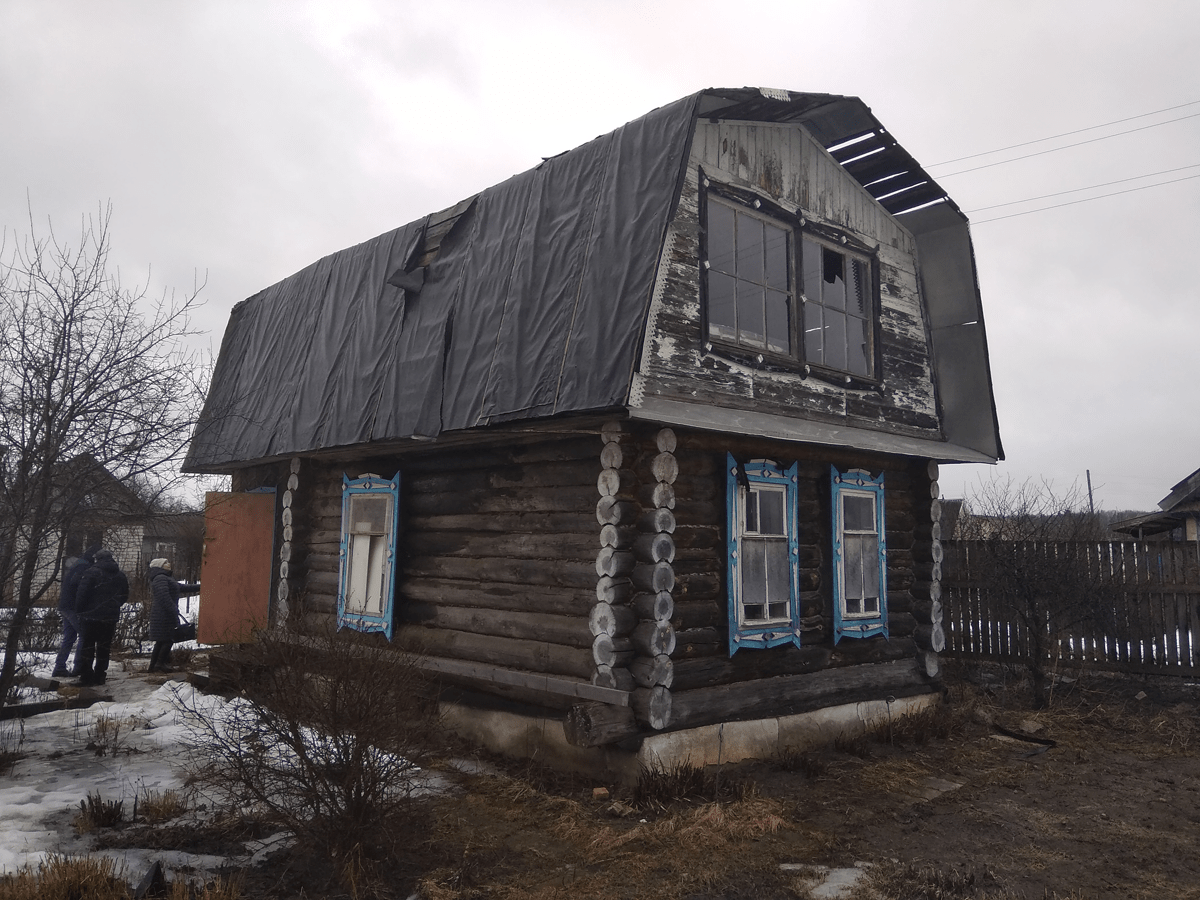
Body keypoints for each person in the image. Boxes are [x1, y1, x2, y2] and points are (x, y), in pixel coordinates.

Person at [73, 549, 130, 687]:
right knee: (104, 647)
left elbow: (82, 594)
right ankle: (100, 675)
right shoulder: (120, 575)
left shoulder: (91, 573)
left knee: (87, 646)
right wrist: (114, 606)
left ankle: (86, 676)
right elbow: (124, 595)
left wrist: (80, 610)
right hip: (110, 618)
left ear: (97, 559)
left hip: (90, 616)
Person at [147, 558, 200, 673]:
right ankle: (160, 664)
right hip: (164, 614)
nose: (169, 564)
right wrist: (173, 610)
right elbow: (164, 597)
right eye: (165, 563)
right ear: (159, 566)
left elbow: (182, 588)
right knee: (168, 639)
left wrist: (200, 587)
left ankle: (153, 665)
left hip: (164, 613)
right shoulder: (160, 578)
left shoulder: (166, 578)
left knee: (162, 640)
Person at [51, 546, 97, 678]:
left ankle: (59, 666)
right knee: (84, 635)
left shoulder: (76, 566)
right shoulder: (83, 568)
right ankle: (78, 666)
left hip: (65, 606)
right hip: (73, 607)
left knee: (69, 638)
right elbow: (78, 586)